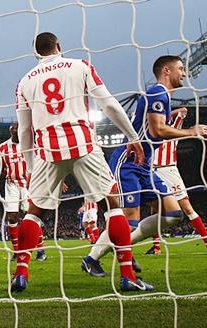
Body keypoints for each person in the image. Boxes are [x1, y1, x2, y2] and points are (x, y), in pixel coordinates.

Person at [13, 32, 150, 292]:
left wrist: (31, 167)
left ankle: (21, 273)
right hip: (82, 144)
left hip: (47, 150)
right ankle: (128, 275)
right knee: (112, 205)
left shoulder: (24, 81)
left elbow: (24, 132)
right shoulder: (80, 65)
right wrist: (132, 137)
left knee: (34, 212)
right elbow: (108, 104)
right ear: (59, 47)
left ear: (36, 53)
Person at [82, 56, 207, 275]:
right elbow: (157, 130)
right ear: (166, 71)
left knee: (173, 214)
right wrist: (191, 132)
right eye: (180, 68)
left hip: (145, 166)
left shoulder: (162, 97)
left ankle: (122, 245)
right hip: (128, 163)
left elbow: (152, 125)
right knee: (130, 219)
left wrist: (174, 114)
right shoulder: (157, 92)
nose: (184, 73)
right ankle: (93, 258)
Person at [0, 123, 47, 261]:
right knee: (12, 217)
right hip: (11, 185)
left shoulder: (31, 145)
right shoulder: (3, 147)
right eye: (13, 129)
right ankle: (17, 251)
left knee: (32, 217)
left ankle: (41, 250)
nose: (15, 130)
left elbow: (44, 161)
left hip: (29, 184)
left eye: (17, 128)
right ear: (10, 132)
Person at [146, 106, 207, 255]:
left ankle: (206, 241)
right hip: (152, 170)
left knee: (187, 207)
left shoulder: (174, 125)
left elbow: (184, 110)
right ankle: (156, 247)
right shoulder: (152, 127)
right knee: (154, 210)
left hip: (168, 169)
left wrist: (167, 113)